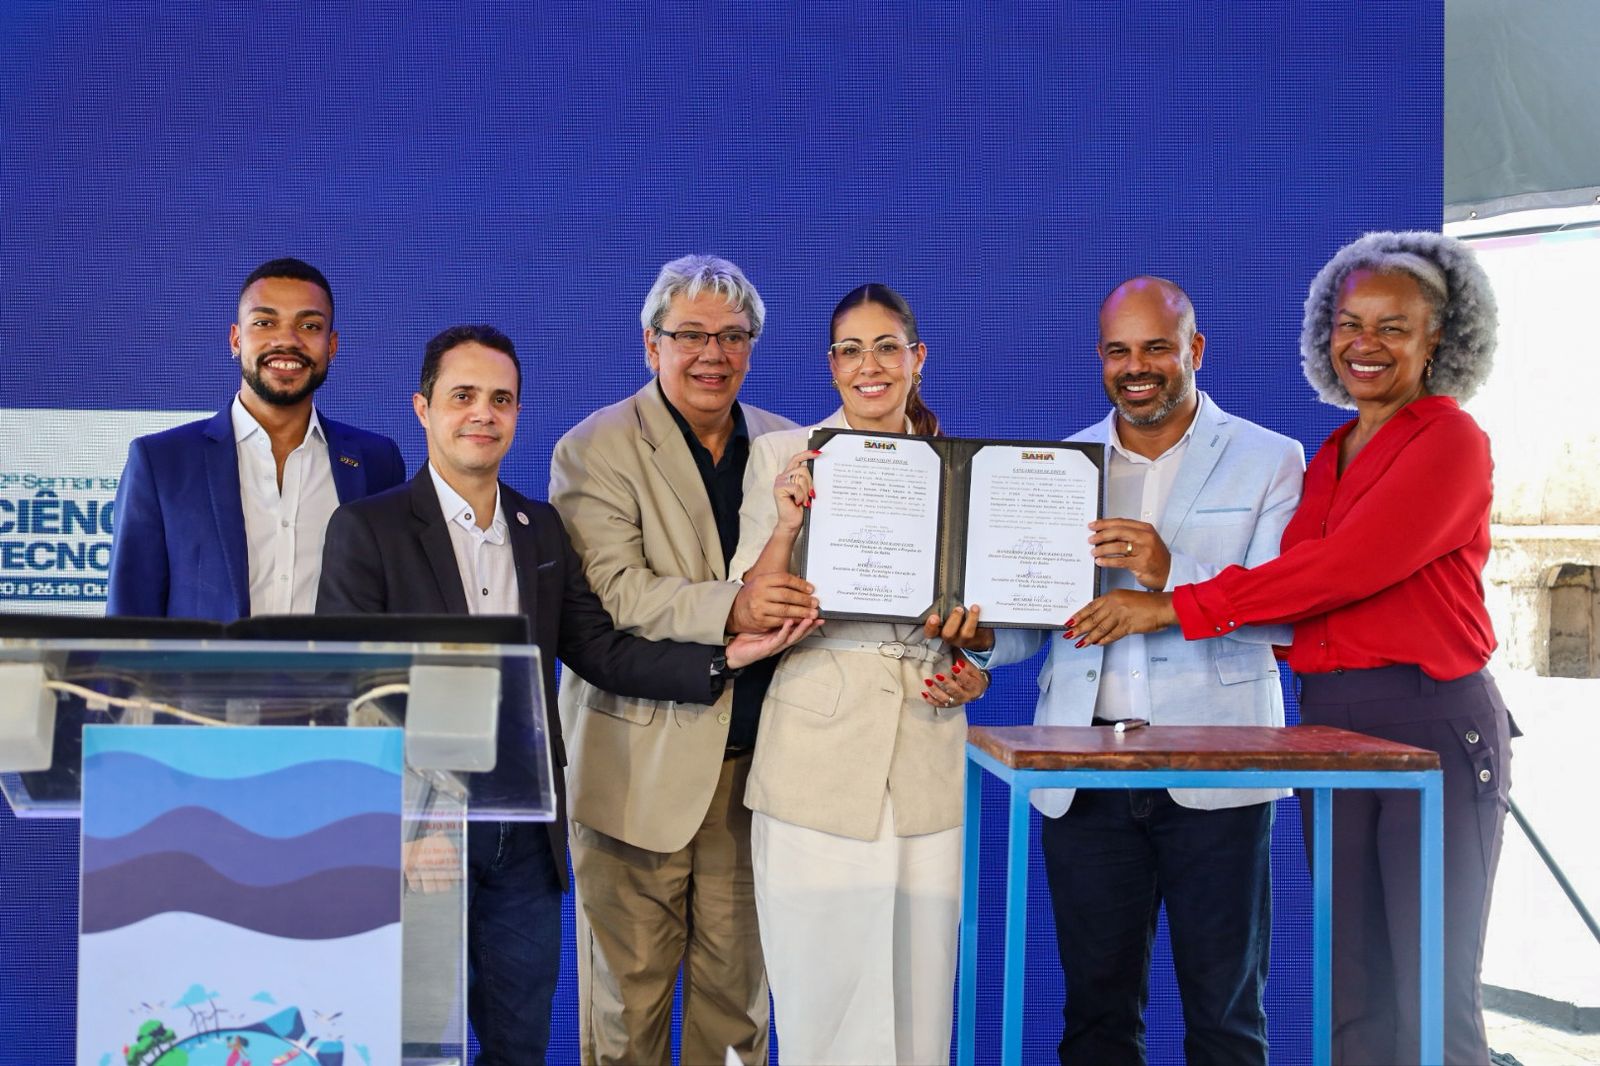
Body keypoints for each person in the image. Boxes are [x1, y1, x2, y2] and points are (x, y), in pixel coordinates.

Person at [315, 324, 812, 1066]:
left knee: (519, 1043)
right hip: (420, 830)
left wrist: (723, 660)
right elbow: (351, 695)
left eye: (501, 399)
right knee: (413, 1039)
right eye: (463, 397)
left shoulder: (537, 527)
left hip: (525, 832)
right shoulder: (367, 529)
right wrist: (403, 825)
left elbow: (599, 652)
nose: (483, 414)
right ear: (423, 409)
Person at [1067, 233, 1509, 1065]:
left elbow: (1336, 573)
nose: (1365, 344)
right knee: (1352, 988)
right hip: (1327, 719)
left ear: (1439, 339)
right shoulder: (1335, 457)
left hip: (1430, 716)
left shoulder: (1449, 440)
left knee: (1431, 989)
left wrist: (1173, 600)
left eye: (1393, 327)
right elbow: (1293, 585)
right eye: (1349, 324)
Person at [938, 276, 1304, 1066]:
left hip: (1222, 763)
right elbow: (1030, 625)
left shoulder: (1271, 459)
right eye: (1118, 350)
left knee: (1226, 1016)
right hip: (1084, 769)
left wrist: (1171, 574)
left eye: (1156, 348)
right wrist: (975, 638)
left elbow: (1283, 615)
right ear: (1100, 359)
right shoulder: (1057, 467)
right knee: (1097, 1019)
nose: (1137, 366)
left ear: (1194, 350)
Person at [549, 256, 811, 1065]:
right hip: (636, 768)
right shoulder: (592, 448)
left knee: (738, 1014)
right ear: (649, 344)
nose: (713, 354)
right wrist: (735, 608)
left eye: (734, 337)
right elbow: (621, 593)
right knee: (628, 1015)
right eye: (691, 334)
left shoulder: (791, 444)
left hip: (752, 778)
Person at [731, 282, 989, 1064]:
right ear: (832, 367)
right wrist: (787, 522)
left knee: (918, 991)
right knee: (821, 993)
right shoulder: (783, 457)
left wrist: (975, 660)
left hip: (926, 748)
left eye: (886, 347)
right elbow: (748, 608)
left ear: (917, 359)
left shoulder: (968, 469)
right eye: (850, 350)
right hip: (815, 756)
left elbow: (994, 622)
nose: (868, 366)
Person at [106, 257, 405, 621]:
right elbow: (129, 619)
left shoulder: (376, 462)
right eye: (265, 323)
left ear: (332, 346)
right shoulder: (161, 462)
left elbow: (391, 612)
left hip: (334, 679)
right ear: (236, 338)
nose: (286, 340)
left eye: (309, 326)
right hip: (202, 679)